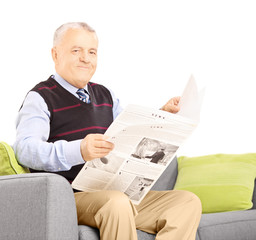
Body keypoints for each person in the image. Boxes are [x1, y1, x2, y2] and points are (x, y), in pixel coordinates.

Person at [14, 22, 201, 240]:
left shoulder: (106, 95)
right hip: (69, 197)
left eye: (92, 52)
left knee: (187, 202)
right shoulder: (40, 98)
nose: (86, 58)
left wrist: (162, 116)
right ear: (56, 55)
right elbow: (25, 150)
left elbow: (129, 133)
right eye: (76, 51)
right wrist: (80, 150)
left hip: (113, 193)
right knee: (117, 202)